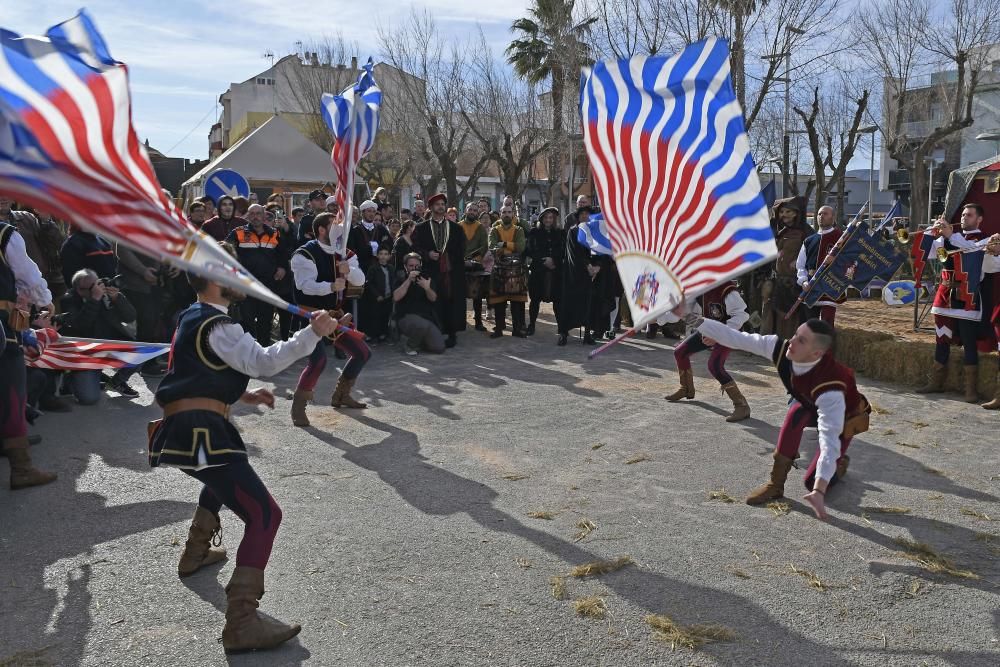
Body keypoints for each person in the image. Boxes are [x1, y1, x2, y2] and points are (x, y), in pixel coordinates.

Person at [149, 256, 340, 653]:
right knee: (265, 515)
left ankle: (194, 553)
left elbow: (197, 371)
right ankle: (242, 622)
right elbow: (263, 361)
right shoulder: (220, 323)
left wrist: (242, 393)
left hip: (186, 429)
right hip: (201, 431)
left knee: (220, 480)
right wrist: (313, 333)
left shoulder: (193, 316)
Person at [679, 307, 870, 520]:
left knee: (813, 480)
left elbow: (829, 440)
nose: (792, 342)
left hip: (843, 416)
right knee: (794, 415)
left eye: (802, 341)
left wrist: (818, 490)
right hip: (807, 401)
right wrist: (687, 316)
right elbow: (733, 337)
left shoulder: (831, 390)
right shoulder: (779, 347)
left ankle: (839, 466)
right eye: (796, 335)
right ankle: (775, 485)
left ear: (816, 354)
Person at [289, 213, 371, 427]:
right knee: (318, 361)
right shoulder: (304, 253)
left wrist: (349, 271)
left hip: (335, 315)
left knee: (362, 352)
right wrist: (330, 286)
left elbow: (361, 279)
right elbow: (303, 285)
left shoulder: (345, 253)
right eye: (335, 226)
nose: (341, 231)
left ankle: (341, 395)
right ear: (322, 230)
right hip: (310, 315)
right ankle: (298, 406)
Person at [916, 205, 1000, 401]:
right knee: (941, 339)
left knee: (969, 343)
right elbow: (928, 254)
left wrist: (950, 235)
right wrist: (932, 233)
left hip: (967, 298)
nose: (964, 218)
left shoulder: (985, 240)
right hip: (945, 295)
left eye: (969, 215)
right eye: (962, 214)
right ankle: (936, 381)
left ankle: (970, 389)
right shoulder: (950, 237)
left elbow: (970, 252)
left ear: (979, 219)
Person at [0, 219, 58, 490]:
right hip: (2, 328)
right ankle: (21, 468)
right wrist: (44, 300)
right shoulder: (5, 234)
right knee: (12, 393)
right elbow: (27, 275)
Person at [664, 281, 751, 422]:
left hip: (728, 332)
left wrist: (717, 335)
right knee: (680, 352)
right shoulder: (698, 286)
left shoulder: (727, 290)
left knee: (715, 365)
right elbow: (683, 312)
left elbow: (742, 315)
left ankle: (742, 405)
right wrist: (657, 318)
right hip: (708, 328)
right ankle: (686, 388)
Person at [59, 269, 141, 400]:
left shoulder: (105, 294)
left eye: (98, 283)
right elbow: (81, 326)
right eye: (93, 287)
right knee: (88, 399)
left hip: (108, 346)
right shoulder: (69, 300)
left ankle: (116, 382)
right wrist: (95, 299)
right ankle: (72, 378)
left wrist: (117, 298)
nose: (99, 288)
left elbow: (130, 316)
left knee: (141, 352)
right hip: (86, 353)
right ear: (80, 290)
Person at [226, 204, 287, 345]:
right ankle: (248, 350)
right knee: (247, 320)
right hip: (245, 284)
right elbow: (225, 250)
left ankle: (264, 350)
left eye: (258, 213)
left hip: (268, 284)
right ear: (248, 216)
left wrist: (282, 268)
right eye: (252, 214)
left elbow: (283, 254)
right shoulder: (238, 233)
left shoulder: (274, 233)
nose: (255, 217)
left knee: (265, 319)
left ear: (264, 215)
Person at [412, 193, 466, 347]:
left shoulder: (456, 228)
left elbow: (462, 248)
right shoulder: (421, 228)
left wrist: (448, 257)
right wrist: (427, 254)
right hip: (431, 271)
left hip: (451, 273)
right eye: (437, 204)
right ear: (431, 207)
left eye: (443, 204)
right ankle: (432, 334)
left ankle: (451, 334)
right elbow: (415, 248)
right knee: (432, 302)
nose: (441, 207)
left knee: (450, 302)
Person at [760, 197, 809, 338]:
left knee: (791, 316)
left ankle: (788, 345)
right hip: (775, 281)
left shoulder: (805, 232)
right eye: (781, 211)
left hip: (794, 283)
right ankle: (770, 345)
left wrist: (799, 262)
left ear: (796, 213)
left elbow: (813, 253)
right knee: (771, 315)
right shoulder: (777, 230)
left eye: (788, 211)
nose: (784, 215)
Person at [558, 206, 603, 345]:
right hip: (573, 274)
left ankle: (588, 334)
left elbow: (599, 250)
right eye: (582, 214)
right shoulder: (573, 231)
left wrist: (597, 266)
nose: (585, 216)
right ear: (578, 217)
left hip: (589, 276)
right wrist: (587, 265)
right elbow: (573, 253)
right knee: (568, 304)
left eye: (587, 214)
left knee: (588, 304)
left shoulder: (595, 232)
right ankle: (563, 333)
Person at [795, 205, 843, 325]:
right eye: (819, 214)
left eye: (825, 214)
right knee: (810, 324)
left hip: (830, 285)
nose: (821, 216)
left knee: (827, 322)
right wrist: (804, 281)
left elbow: (851, 260)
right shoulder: (809, 240)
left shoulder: (841, 238)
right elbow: (800, 265)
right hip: (811, 286)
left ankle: (828, 344)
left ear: (833, 217)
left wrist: (836, 260)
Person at [487, 204, 528, 338]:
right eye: (504, 212)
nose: (506, 214)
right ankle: (498, 329)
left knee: (517, 302)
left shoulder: (519, 229)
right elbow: (492, 246)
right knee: (499, 301)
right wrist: (511, 246)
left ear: (513, 214)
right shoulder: (494, 229)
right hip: (500, 268)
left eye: (509, 212)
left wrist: (503, 244)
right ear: (500, 214)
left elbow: (521, 247)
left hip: (517, 269)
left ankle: (517, 329)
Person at [393, 252, 445, 355]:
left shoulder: (426, 278)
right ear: (405, 266)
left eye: (416, 265)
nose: (414, 268)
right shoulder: (400, 278)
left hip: (426, 317)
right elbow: (396, 297)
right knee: (422, 325)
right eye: (411, 266)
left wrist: (427, 288)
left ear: (420, 265)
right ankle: (410, 345)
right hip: (405, 317)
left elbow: (433, 298)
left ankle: (419, 340)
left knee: (439, 348)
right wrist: (408, 280)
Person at [526, 207, 564, 336]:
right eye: (546, 217)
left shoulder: (560, 233)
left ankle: (561, 327)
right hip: (538, 271)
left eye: (551, 218)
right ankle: (531, 325)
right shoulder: (534, 232)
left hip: (555, 271)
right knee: (535, 300)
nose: (548, 220)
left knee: (558, 301)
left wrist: (554, 261)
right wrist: (543, 260)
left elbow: (563, 251)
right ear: (542, 219)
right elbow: (530, 250)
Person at [460, 202, 489, 332]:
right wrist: (462, 260)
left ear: (477, 213)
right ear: (466, 211)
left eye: (474, 210)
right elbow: (455, 245)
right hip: (460, 264)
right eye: (470, 209)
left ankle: (478, 321)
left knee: (478, 295)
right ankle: (460, 321)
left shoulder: (480, 228)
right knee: (459, 295)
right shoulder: (458, 226)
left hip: (476, 264)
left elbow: (484, 246)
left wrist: (474, 260)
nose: (472, 212)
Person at [348, 200, 392, 275]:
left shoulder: (381, 229)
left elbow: (389, 244)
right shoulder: (355, 230)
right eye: (369, 211)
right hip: (361, 267)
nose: (371, 214)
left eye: (373, 211)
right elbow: (351, 249)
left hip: (379, 267)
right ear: (362, 213)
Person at [363, 248, 394, 342]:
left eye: (386, 254)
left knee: (385, 316)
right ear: (377, 255)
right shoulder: (373, 268)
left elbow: (393, 281)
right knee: (375, 317)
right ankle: (373, 336)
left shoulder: (391, 268)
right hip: (376, 298)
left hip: (388, 297)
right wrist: (377, 295)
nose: (383, 256)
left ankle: (383, 334)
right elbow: (369, 283)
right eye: (381, 254)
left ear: (389, 256)